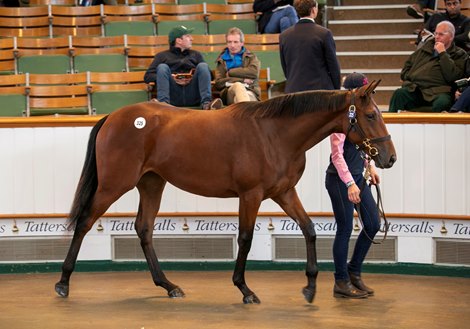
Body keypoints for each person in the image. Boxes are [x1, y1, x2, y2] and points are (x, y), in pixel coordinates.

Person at [325, 72, 381, 299]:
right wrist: (350, 183)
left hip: (357, 176)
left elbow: (362, 145)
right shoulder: (341, 120)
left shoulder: (357, 115)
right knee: (345, 228)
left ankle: (354, 271)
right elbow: (337, 156)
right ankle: (341, 281)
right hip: (340, 180)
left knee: (373, 223)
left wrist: (370, 166)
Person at [389, 21, 468, 113]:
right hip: (416, 89)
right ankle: (392, 126)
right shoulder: (424, 50)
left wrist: (443, 54)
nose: (437, 37)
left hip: (440, 92)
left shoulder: (459, 54)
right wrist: (411, 77)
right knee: (399, 94)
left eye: (441, 34)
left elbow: (453, 77)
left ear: (451, 37)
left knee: (442, 102)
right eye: (436, 33)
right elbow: (406, 69)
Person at [143, 25, 221, 110]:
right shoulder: (161, 56)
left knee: (203, 66)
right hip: (173, 94)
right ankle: (163, 105)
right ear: (179, 40)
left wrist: (192, 76)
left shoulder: (196, 55)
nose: (192, 39)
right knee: (162, 67)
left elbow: (210, 75)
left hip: (193, 93)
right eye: (188, 36)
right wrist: (172, 77)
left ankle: (207, 104)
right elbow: (148, 76)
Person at [279, 0, 341, 93]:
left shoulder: (284, 35)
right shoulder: (324, 33)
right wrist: (337, 89)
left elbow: (286, 68)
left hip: (294, 92)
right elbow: (333, 66)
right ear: (313, 10)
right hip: (320, 93)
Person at [213, 27, 261, 105]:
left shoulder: (251, 57)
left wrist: (231, 72)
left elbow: (254, 72)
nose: (232, 45)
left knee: (240, 100)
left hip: (250, 90)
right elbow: (219, 83)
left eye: (235, 42)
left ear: (242, 43)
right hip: (230, 92)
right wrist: (242, 80)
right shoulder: (222, 59)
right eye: (229, 42)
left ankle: (244, 115)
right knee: (238, 86)